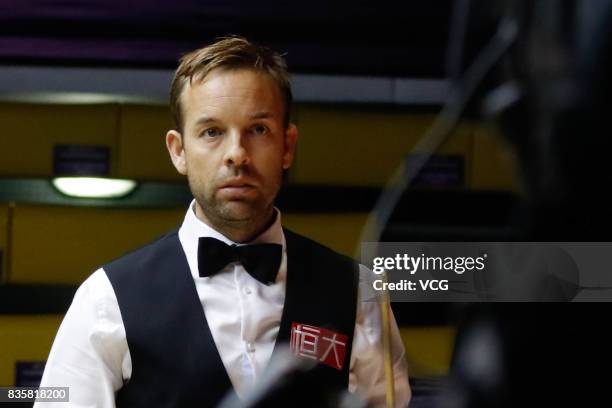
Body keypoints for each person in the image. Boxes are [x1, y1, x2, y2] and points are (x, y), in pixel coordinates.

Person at [35, 36, 410, 407]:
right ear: (179, 151)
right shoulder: (104, 299)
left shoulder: (361, 294)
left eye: (258, 130)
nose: (237, 154)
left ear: (288, 146)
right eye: (212, 132)